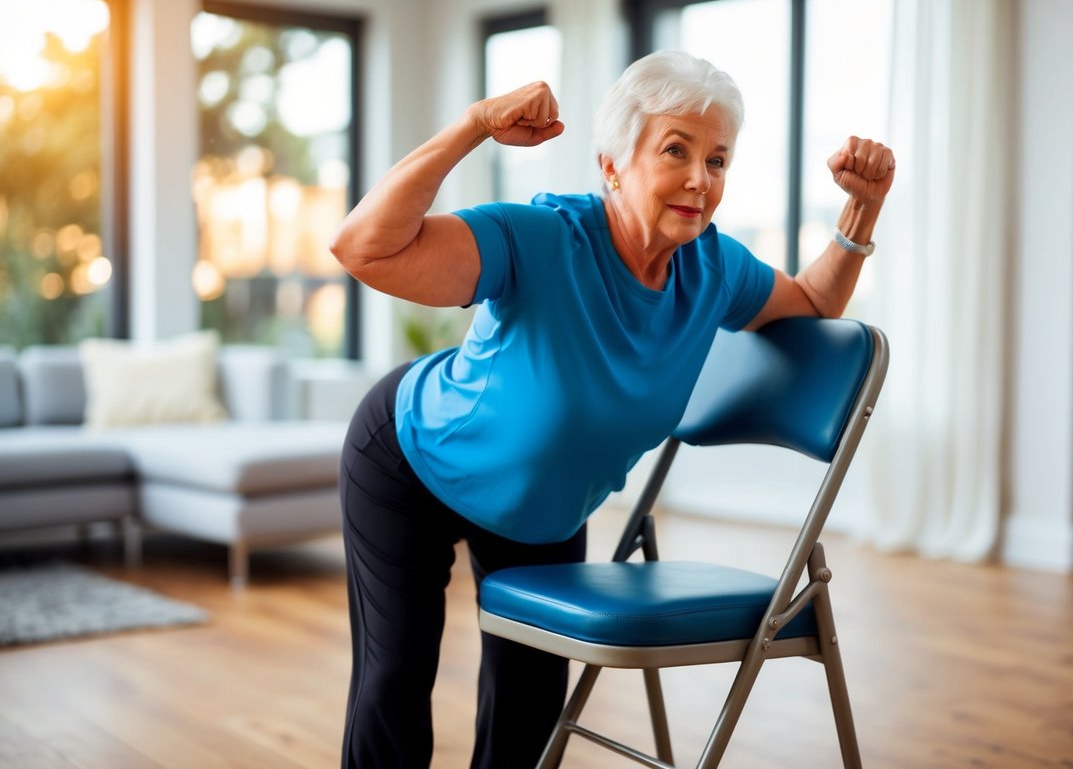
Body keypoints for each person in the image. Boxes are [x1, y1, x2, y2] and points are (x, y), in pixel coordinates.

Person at [329, 49, 894, 768]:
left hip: (543, 509)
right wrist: (474, 124)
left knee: (530, 711)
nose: (699, 179)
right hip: (411, 461)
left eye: (717, 160)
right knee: (394, 677)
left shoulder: (713, 268)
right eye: (675, 151)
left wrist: (860, 211)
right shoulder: (542, 239)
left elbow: (813, 304)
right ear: (612, 165)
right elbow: (363, 248)